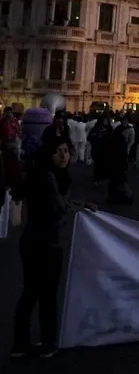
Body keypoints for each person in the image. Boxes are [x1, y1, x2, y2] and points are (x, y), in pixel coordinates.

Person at [10, 140, 96, 359]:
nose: (63, 156)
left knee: (31, 292)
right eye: (58, 152)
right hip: (47, 243)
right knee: (47, 294)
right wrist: (79, 207)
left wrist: (79, 204)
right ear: (49, 154)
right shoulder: (48, 177)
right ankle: (48, 342)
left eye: (66, 151)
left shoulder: (42, 174)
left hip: (32, 241)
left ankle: (20, 344)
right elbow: (58, 209)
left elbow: (60, 201)